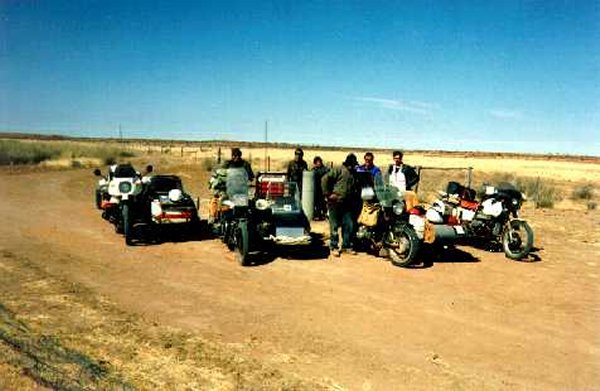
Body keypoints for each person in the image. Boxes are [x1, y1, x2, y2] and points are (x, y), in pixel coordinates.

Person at [321, 153, 359, 257]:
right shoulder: (339, 170)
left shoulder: (354, 173)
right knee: (334, 226)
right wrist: (327, 194)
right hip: (334, 203)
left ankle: (346, 246)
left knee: (348, 225)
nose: (353, 166)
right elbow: (324, 179)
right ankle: (334, 246)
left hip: (348, 203)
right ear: (348, 163)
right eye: (352, 164)